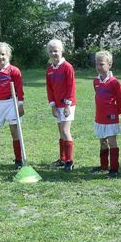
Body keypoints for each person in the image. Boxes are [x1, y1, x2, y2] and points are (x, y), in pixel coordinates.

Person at [91, 50, 121, 178]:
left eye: (102, 64)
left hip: (111, 117)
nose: (99, 67)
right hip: (99, 116)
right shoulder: (95, 81)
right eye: (97, 64)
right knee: (102, 141)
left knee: (112, 142)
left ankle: (114, 168)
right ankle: (104, 165)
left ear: (109, 64)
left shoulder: (114, 82)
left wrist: (118, 110)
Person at [46, 39, 76, 172]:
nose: (54, 53)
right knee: (60, 132)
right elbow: (49, 89)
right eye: (51, 51)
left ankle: (69, 161)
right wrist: (52, 105)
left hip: (67, 105)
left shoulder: (67, 67)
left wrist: (68, 105)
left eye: (56, 51)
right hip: (57, 105)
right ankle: (62, 158)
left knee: (65, 131)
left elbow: (71, 86)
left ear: (61, 51)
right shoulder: (50, 70)